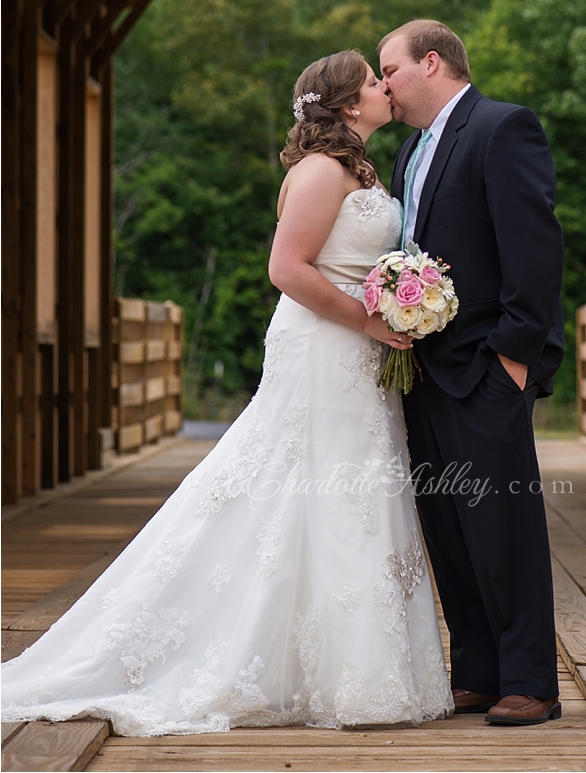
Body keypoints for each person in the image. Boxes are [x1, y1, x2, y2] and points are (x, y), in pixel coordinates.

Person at [1, 50, 453, 736]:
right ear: (348, 105)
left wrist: (397, 304)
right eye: (372, 81)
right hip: (324, 346)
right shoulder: (321, 171)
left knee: (350, 494)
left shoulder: (362, 167)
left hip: (362, 351)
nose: (384, 86)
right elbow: (285, 268)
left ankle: (352, 671)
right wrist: (369, 317)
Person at [379, 19, 565, 727]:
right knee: (449, 529)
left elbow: (534, 248)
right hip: (422, 372)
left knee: (502, 527)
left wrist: (514, 360)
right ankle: (479, 673)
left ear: (432, 62)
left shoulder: (501, 128)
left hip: (488, 367)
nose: (384, 84)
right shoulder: (409, 151)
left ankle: (530, 681)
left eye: (389, 69)